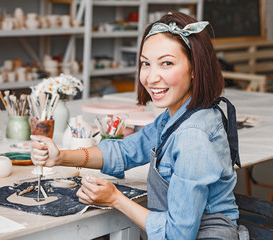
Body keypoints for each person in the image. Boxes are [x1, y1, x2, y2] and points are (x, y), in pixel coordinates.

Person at [31, 12, 246, 239]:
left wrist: (115, 199)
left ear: (194, 68)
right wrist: (60, 156)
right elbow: (125, 151)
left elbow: (178, 235)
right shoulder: (177, 116)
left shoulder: (192, 136)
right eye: (146, 63)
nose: (152, 77)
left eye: (166, 63)